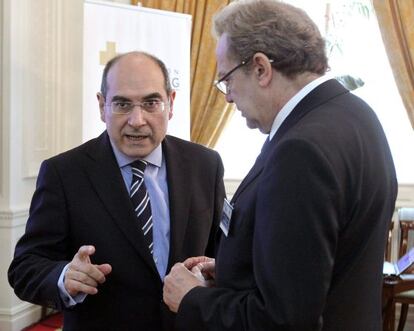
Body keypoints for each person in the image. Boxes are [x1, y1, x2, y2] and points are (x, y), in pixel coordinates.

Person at [162, 1, 398, 330]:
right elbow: (322, 260)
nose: (228, 98)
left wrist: (191, 299)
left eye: (227, 80)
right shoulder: (355, 114)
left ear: (261, 68)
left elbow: (283, 320)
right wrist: (236, 268)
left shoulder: (300, 151)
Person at [8, 51, 225, 331]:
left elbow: (222, 253)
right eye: (122, 104)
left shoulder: (205, 164)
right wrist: (64, 277)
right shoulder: (64, 173)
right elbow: (25, 268)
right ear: (102, 106)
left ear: (170, 104)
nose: (137, 120)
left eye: (151, 103)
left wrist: (212, 276)